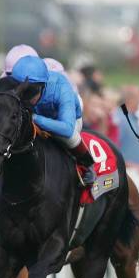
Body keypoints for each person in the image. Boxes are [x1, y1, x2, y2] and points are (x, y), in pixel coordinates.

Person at [7, 56, 95, 185]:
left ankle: (87, 165)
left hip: (65, 121)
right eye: (23, 90)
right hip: (34, 118)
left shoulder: (62, 88)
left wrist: (35, 118)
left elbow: (67, 128)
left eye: (32, 91)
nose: (27, 97)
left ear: (43, 85)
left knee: (69, 137)